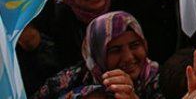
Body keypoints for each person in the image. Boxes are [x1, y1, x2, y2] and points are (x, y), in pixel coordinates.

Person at [32, 11, 164, 98]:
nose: (129, 57)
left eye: (135, 45)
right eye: (116, 50)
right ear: (97, 55)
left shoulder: (159, 82)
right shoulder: (73, 78)